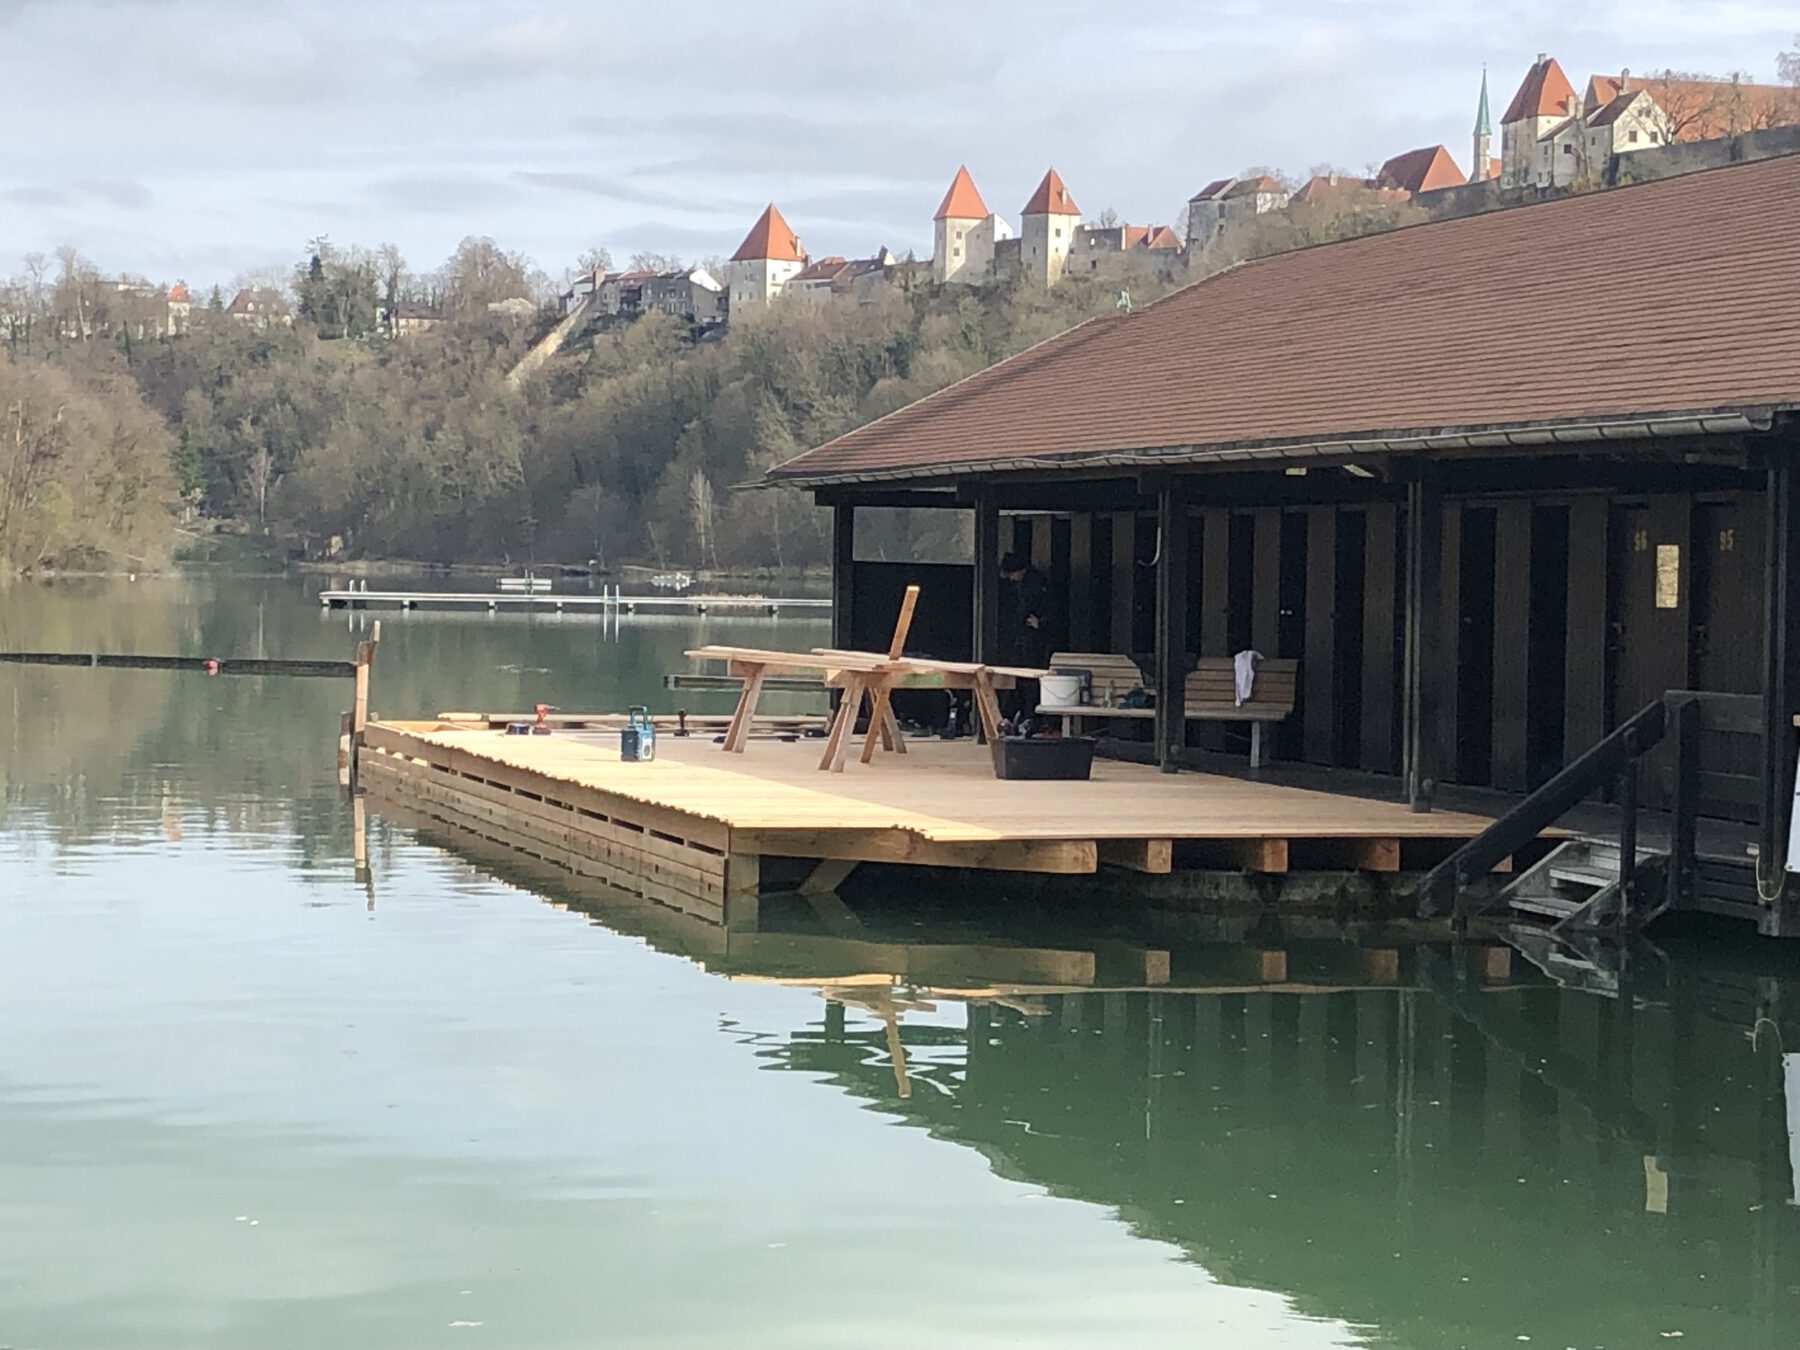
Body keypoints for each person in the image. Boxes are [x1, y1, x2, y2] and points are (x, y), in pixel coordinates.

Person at [998, 551, 1049, 726]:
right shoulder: (1023, 585)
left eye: (1012, 574)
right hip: (1023, 636)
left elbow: (1053, 608)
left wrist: (1041, 623)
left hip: (1033, 638)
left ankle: (1028, 716)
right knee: (1018, 676)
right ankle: (1017, 714)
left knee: (1029, 678)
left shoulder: (1036, 584)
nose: (1011, 579)